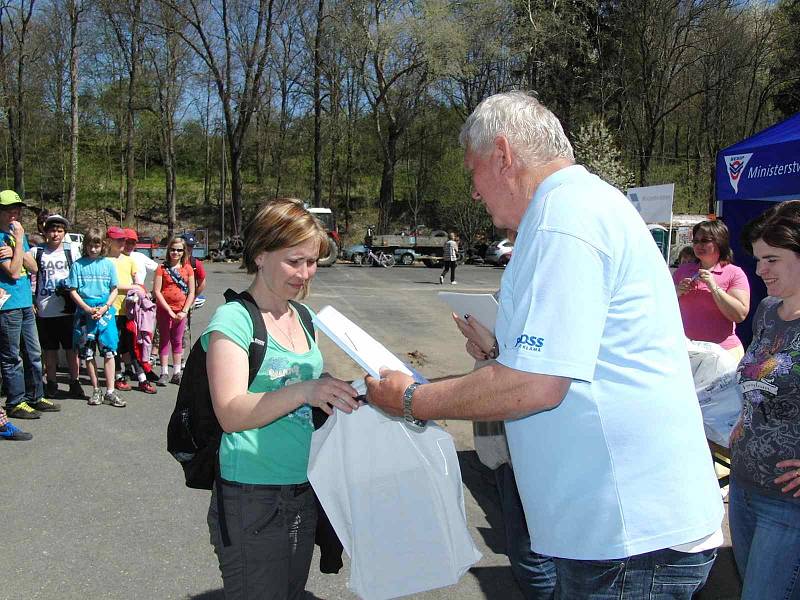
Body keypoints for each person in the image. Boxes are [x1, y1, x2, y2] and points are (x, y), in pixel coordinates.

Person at [366, 92, 723, 598]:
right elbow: (568, 359)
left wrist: (409, 399)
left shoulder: (564, 219)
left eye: (473, 172)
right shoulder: (576, 208)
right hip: (621, 533)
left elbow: (537, 385)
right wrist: (498, 355)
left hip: (627, 539)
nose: (473, 193)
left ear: (503, 156)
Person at [204, 198, 360, 599]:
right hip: (252, 493)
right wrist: (306, 390)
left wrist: (336, 389)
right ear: (260, 254)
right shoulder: (235, 320)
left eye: (312, 263)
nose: (305, 273)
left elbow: (298, 387)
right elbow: (231, 412)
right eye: (295, 261)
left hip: (302, 485)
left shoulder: (303, 318)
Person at [728, 204, 800, 600]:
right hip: (744, 487)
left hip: (788, 505)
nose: (760, 271)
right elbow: (758, 374)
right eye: (757, 260)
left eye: (772, 259)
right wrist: (748, 416)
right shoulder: (769, 311)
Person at [0, 190, 61, 419]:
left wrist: (17, 246)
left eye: (16, 209)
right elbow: (15, 272)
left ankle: (36, 395)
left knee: (34, 353)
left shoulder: (17, 235)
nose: (13, 214)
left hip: (26, 302)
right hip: (8, 306)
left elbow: (34, 268)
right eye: (8, 210)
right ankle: (16, 402)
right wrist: (18, 248)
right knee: (12, 356)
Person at [674, 220, 750, 361]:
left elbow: (740, 315)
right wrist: (677, 292)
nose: (698, 245)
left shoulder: (734, 273)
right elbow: (662, 306)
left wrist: (714, 287)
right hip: (687, 350)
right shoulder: (683, 270)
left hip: (724, 352)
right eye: (695, 241)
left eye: (704, 240)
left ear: (719, 242)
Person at [67, 227, 125, 407]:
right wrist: (85, 308)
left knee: (109, 352)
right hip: (85, 313)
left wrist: (106, 306)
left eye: (97, 245)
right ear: (86, 246)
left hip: (105, 312)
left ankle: (110, 390)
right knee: (88, 354)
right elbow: (73, 290)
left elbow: (114, 289)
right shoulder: (77, 265)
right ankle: (96, 389)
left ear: (102, 246)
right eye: (90, 245)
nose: (93, 249)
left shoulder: (108, 264)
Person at [32, 214, 85, 400]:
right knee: (50, 349)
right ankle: (52, 382)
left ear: (65, 233)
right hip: (44, 308)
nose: (55, 234)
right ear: (45, 232)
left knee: (72, 349)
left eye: (59, 231)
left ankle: (75, 381)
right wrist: (32, 301)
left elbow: (79, 275)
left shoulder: (72, 251)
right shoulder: (37, 252)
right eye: (52, 230)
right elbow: (31, 278)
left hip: (68, 308)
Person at [152, 235, 195, 386]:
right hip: (165, 310)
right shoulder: (161, 268)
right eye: (172, 250)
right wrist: (169, 311)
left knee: (177, 341)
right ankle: (164, 372)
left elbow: (191, 292)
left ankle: (177, 372)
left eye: (179, 250)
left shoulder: (188, 269)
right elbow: (157, 291)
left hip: (181, 310)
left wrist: (184, 311)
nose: (175, 253)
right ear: (168, 250)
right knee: (164, 339)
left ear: (184, 252)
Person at [105, 226, 138, 391]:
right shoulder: (104, 261)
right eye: (118, 240)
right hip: (110, 308)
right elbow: (111, 285)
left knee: (127, 344)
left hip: (127, 309)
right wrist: (130, 287)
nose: (122, 243)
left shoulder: (129, 260)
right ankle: (117, 374)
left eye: (123, 240)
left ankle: (127, 371)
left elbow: (137, 283)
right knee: (114, 344)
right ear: (108, 241)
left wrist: (136, 289)